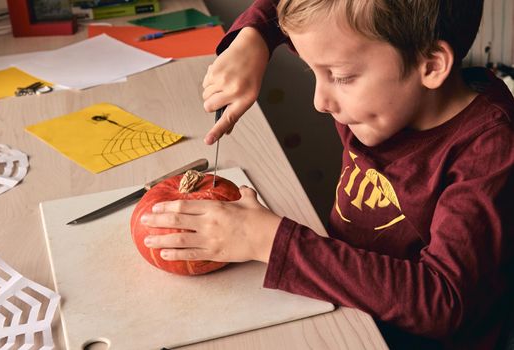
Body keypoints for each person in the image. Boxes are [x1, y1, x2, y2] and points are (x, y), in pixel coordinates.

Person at [141, 0, 514, 348]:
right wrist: (252, 39)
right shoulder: (383, 103)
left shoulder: (489, 150)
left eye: (340, 76)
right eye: (311, 69)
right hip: (345, 305)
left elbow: (443, 302)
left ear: (431, 65)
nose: (320, 101)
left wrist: (269, 241)